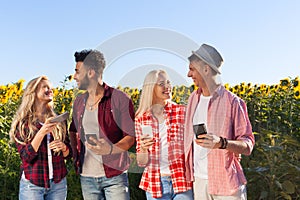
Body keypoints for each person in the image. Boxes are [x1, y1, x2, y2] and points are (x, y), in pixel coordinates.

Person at [184, 44, 255, 200]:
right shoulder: (192, 100)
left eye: (192, 69)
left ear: (206, 69)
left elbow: (248, 145)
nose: (189, 74)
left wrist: (222, 143)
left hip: (226, 184)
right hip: (199, 181)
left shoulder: (233, 102)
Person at [69, 49, 135, 200]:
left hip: (115, 176)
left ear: (91, 72)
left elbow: (130, 137)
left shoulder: (119, 98)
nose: (74, 77)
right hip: (87, 177)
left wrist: (110, 149)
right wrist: (75, 155)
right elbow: (72, 130)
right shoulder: (79, 102)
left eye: (77, 72)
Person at [9, 75, 71, 200]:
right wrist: (42, 132)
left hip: (58, 184)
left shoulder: (59, 120)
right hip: (32, 185)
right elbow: (27, 156)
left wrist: (64, 147)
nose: (50, 90)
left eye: (51, 88)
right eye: (45, 87)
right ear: (33, 92)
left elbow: (68, 154)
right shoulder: (22, 123)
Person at [135, 69, 193, 200]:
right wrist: (143, 148)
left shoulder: (181, 112)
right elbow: (142, 162)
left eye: (168, 82)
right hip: (155, 184)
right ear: (151, 88)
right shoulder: (141, 119)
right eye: (161, 83)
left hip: (181, 180)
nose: (167, 87)